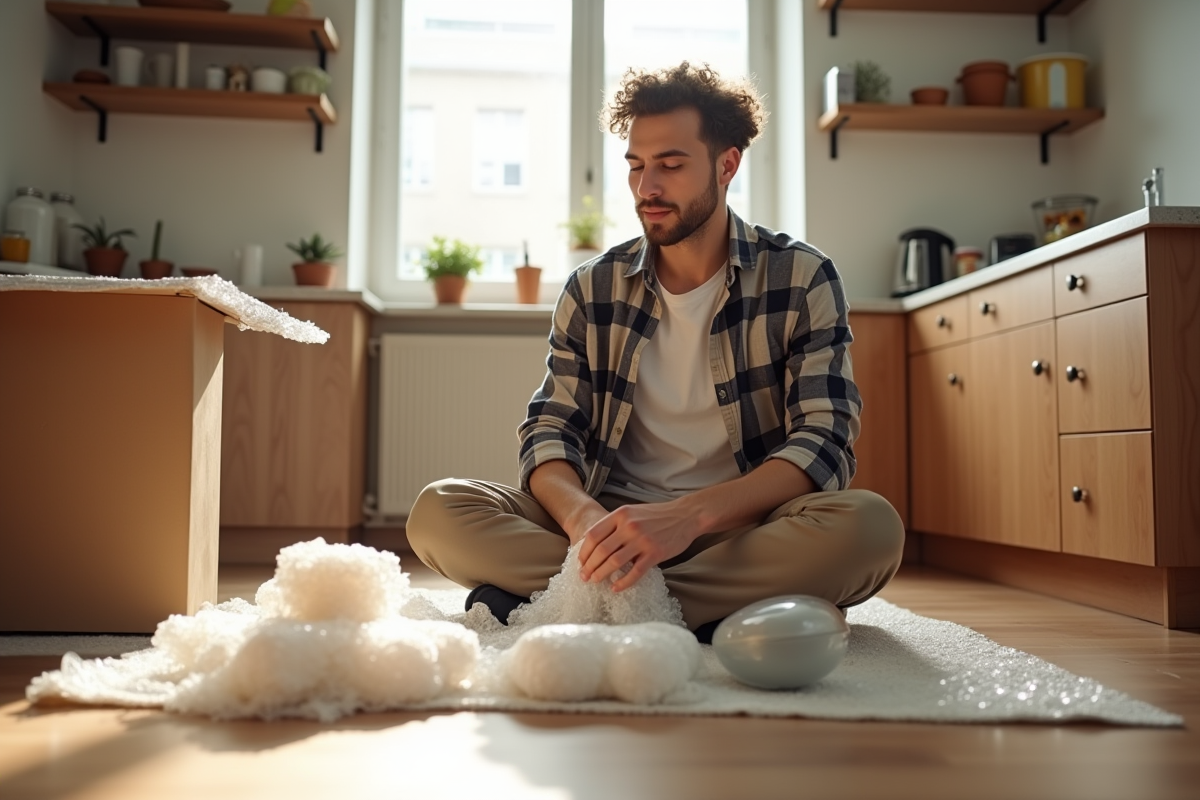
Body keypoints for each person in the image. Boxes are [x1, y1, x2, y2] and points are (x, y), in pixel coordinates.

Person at [407, 62, 904, 642]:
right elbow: (550, 430)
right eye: (637, 166)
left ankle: (566, 601)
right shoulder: (591, 288)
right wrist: (582, 517)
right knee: (439, 511)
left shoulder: (802, 276)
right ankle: (703, 608)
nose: (647, 188)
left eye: (670, 165)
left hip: (737, 531)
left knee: (869, 528)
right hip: (606, 528)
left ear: (727, 164)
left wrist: (687, 517)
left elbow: (825, 439)